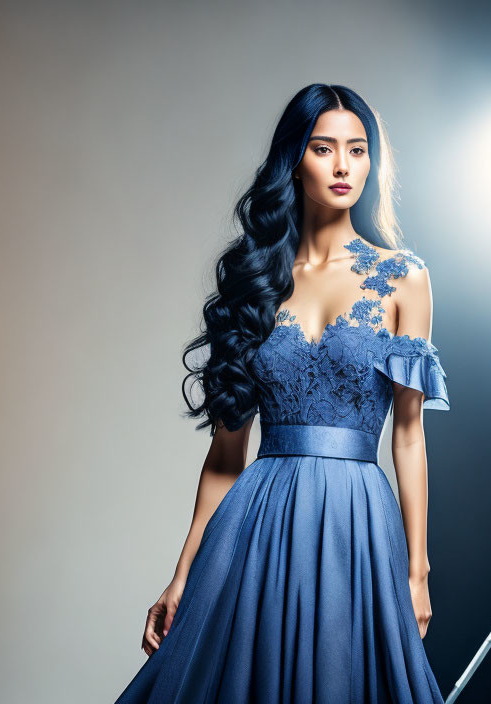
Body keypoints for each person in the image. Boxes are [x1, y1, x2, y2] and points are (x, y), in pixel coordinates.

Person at [115, 83, 450, 703]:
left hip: (359, 523)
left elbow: (408, 436)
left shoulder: (405, 277)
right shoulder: (256, 279)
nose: (344, 165)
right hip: (261, 521)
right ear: (295, 159)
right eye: (325, 149)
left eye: (358, 149)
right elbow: (224, 458)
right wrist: (183, 573)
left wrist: (417, 568)